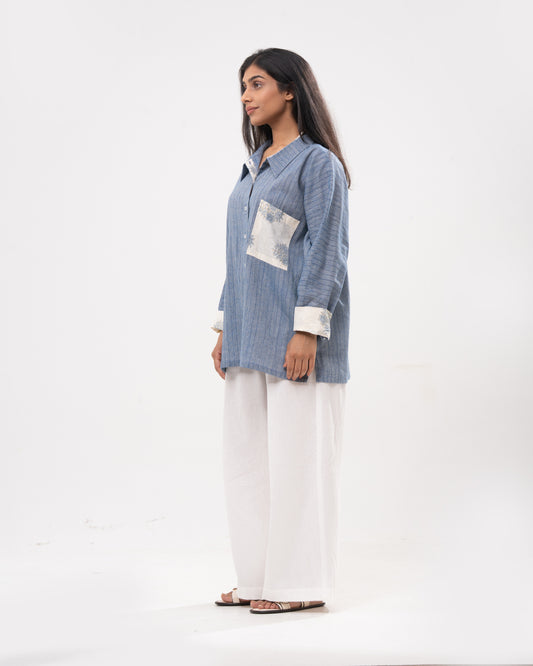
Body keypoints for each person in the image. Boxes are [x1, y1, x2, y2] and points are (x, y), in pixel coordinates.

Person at [210, 48, 351, 614]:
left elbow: (328, 251)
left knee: (298, 463)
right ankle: (256, 578)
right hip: (249, 336)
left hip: (297, 342)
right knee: (247, 464)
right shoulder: (254, 168)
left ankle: (298, 586)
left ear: (290, 90)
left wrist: (308, 329)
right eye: (243, 86)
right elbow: (245, 255)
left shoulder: (318, 165)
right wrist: (226, 325)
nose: (246, 96)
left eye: (257, 83)